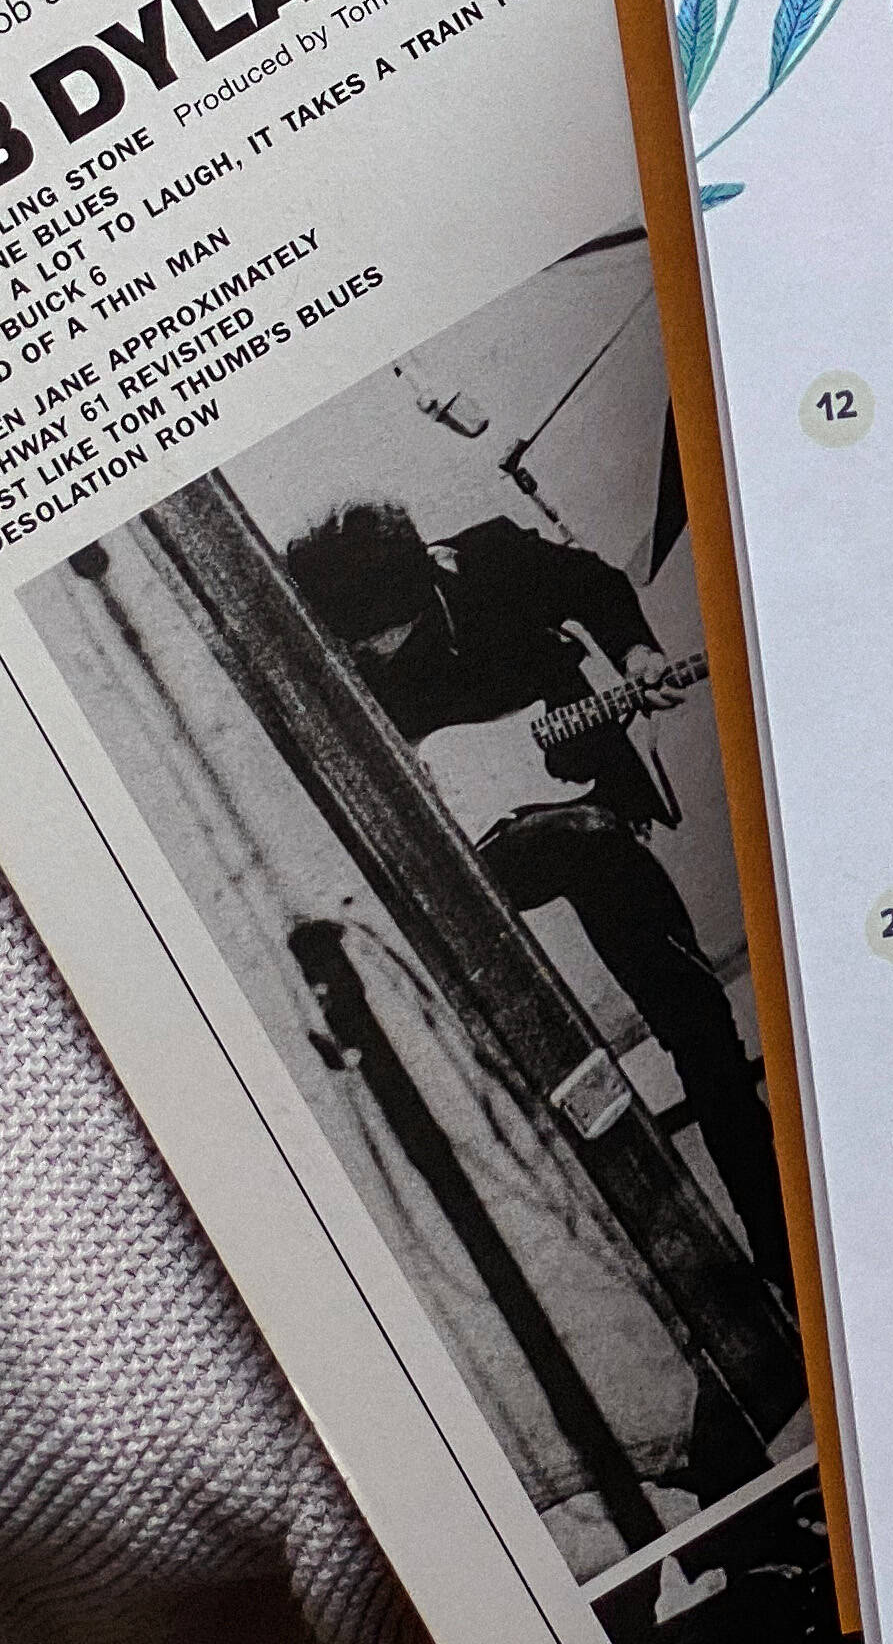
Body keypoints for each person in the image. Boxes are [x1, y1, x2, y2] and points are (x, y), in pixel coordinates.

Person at [280, 500, 793, 1289]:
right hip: (473, 860)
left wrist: (637, 655)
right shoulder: (341, 654)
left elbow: (594, 583)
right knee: (526, 1071)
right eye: (355, 643)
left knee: (696, 1021)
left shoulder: (491, 561)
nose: (368, 653)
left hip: (584, 812)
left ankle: (780, 1250)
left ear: (419, 595)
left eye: (380, 637)